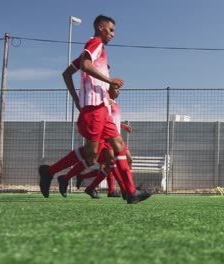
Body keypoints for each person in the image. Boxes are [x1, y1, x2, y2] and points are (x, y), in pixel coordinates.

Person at [39, 15, 150, 204]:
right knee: (92, 155)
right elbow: (86, 65)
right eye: (111, 30)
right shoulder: (95, 42)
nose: (113, 34)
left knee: (119, 146)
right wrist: (110, 80)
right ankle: (50, 172)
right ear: (101, 27)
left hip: (102, 108)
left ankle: (131, 193)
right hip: (93, 109)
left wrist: (76, 98)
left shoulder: (92, 50)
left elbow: (67, 73)